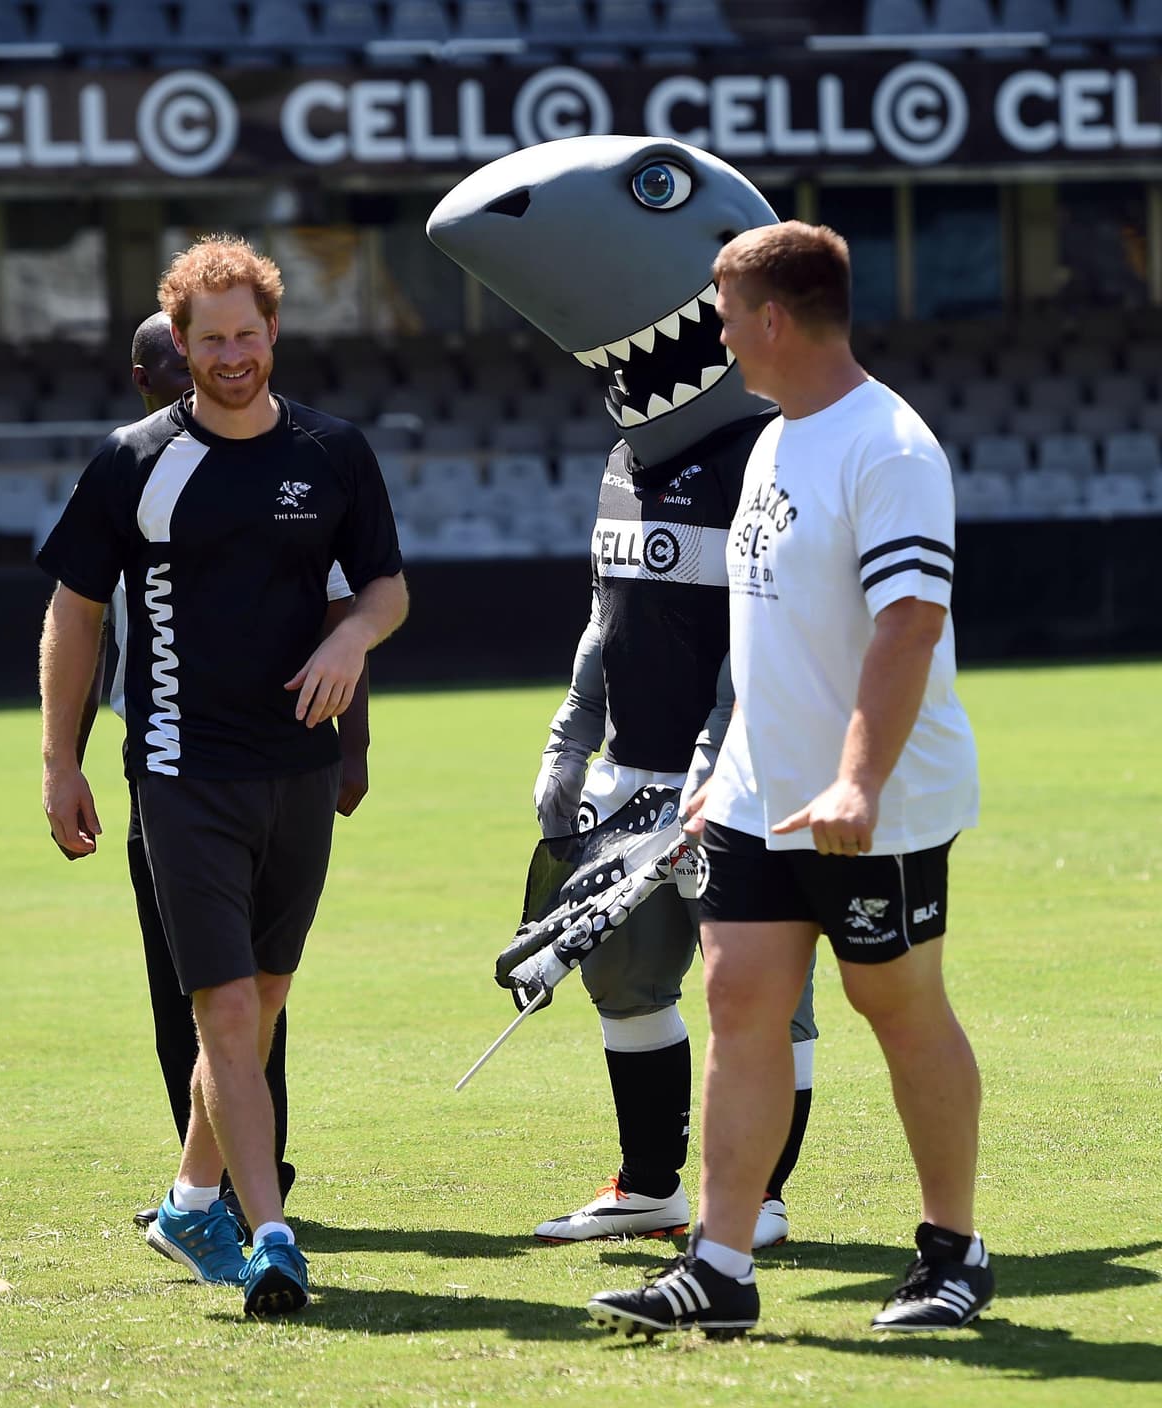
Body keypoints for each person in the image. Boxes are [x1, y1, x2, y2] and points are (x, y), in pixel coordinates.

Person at [589, 221, 992, 1338]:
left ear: (771, 318)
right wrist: (720, 769)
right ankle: (718, 1265)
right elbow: (763, 632)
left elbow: (907, 626)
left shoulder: (890, 447)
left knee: (893, 1004)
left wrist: (857, 784)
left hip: (880, 801)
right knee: (736, 1002)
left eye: (723, 318)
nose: (716, 339)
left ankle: (953, 1251)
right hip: (764, 799)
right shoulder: (772, 440)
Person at [426, 136, 817, 1250]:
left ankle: (762, 1195)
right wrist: (570, 737)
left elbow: (768, 631)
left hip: (739, 780)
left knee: (758, 986)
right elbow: (607, 618)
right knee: (622, 979)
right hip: (628, 774)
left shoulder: (772, 451)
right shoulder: (622, 460)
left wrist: (715, 761)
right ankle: (649, 1182)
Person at [38, 236, 407, 1317]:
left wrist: (352, 644)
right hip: (177, 769)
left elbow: (384, 589)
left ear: (273, 332)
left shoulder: (334, 452)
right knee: (229, 1009)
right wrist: (57, 762)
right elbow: (74, 612)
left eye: (249, 334)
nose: (234, 355)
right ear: (180, 344)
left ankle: (192, 1197)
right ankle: (272, 1238)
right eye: (213, 339)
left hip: (293, 768)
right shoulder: (130, 462)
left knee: (267, 1000)